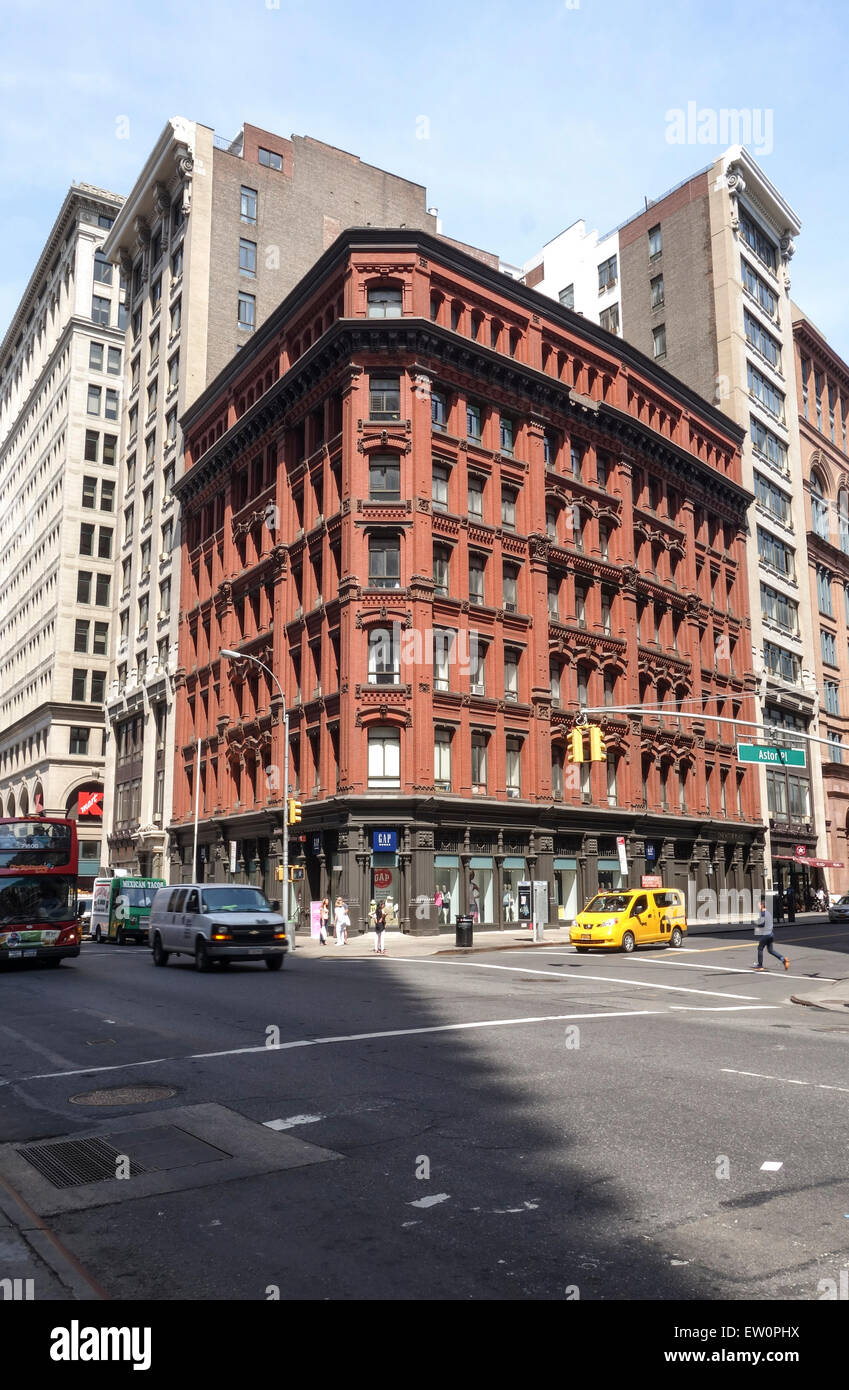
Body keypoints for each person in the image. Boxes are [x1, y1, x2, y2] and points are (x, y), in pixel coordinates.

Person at [753, 896, 789, 972]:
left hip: (766, 934)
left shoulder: (762, 913)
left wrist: (757, 924)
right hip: (771, 934)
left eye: (758, 904)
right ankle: (783, 959)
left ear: (762, 905)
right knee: (770, 950)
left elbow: (762, 924)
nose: (757, 906)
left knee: (760, 948)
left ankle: (760, 965)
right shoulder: (768, 912)